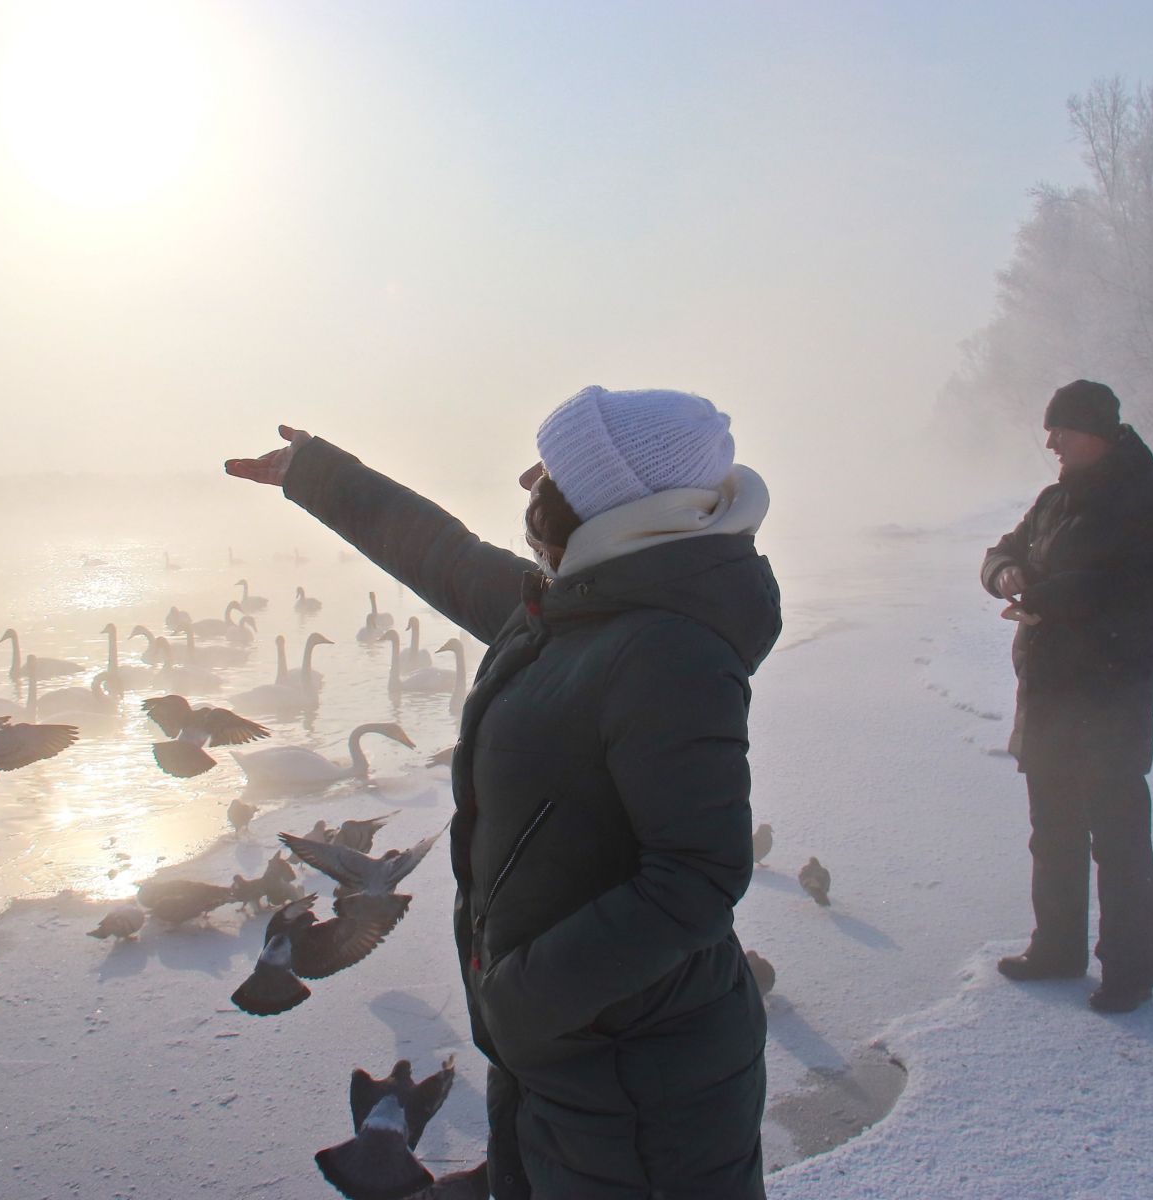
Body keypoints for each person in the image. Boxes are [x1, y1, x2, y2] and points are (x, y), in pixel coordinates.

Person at [227, 386, 780, 1198]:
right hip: (567, 1052)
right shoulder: (576, 605)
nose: (529, 482)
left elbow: (698, 877)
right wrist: (321, 475)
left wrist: (523, 1000)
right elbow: (446, 557)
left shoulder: (667, 650)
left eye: (552, 470)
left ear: (602, 500)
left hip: (639, 1079)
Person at [982, 379, 1153, 1014]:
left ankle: (1130, 972)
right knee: (1054, 831)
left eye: (1063, 432)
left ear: (1098, 432)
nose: (1053, 443)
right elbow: (1000, 552)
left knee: (1119, 837)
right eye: (1051, 432)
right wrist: (1006, 575)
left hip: (1109, 698)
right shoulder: (1052, 501)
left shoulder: (1147, 502)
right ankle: (1058, 948)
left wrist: (1046, 596)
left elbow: (1149, 587)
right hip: (1046, 697)